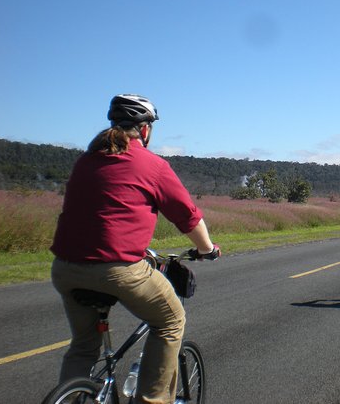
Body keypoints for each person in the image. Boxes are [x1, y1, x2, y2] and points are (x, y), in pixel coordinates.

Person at [50, 94, 219, 404]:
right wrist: (207, 249)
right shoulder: (151, 164)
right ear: (144, 130)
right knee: (170, 321)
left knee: (84, 346)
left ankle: (72, 397)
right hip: (118, 269)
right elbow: (187, 216)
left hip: (65, 268)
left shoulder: (86, 160)